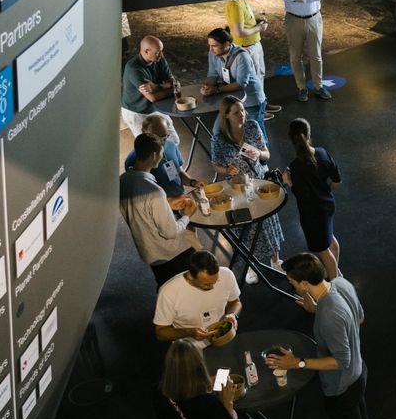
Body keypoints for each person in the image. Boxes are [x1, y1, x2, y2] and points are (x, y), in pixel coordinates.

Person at [266, 253, 380, 419]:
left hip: (342, 386)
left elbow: (340, 361)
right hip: (359, 372)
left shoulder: (329, 314)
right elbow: (359, 317)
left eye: (292, 282)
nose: (292, 285)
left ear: (304, 283)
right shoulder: (341, 284)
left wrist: (298, 363)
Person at [210, 96, 284, 285]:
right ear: (226, 116)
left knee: (267, 221)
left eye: (242, 110)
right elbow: (215, 164)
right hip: (237, 188)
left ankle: (276, 260)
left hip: (259, 182)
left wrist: (259, 153)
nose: (242, 115)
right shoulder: (219, 139)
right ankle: (251, 265)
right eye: (236, 112)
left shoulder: (252, 127)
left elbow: (267, 154)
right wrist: (227, 170)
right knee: (246, 226)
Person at [120, 133, 198, 287]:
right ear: (154, 156)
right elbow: (170, 232)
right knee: (186, 287)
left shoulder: (123, 180)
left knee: (166, 286)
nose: (162, 157)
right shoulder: (155, 191)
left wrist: (167, 204)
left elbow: (140, 209)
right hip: (171, 253)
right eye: (161, 153)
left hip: (150, 253)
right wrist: (187, 215)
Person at [283, 117, 343, 280]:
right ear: (309, 135)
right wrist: (324, 191)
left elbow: (303, 196)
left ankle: (335, 283)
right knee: (329, 239)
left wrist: (289, 182)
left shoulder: (295, 166)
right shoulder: (323, 153)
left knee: (323, 251)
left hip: (312, 214)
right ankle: (335, 272)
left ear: (291, 139)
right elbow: (337, 181)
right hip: (328, 206)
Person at [153, 250, 241, 342]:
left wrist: (232, 314)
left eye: (215, 281)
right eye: (206, 284)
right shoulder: (168, 292)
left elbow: (236, 302)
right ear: (190, 276)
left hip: (222, 335)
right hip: (189, 342)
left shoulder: (227, 275)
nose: (212, 287)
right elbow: (160, 333)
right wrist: (188, 332)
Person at [202, 27, 268, 142]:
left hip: (251, 101)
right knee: (218, 131)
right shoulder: (213, 53)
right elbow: (212, 74)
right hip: (233, 102)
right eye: (210, 45)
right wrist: (206, 86)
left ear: (227, 44)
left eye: (214, 46)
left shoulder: (242, 56)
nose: (211, 49)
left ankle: (262, 154)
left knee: (256, 136)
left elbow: (240, 84)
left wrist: (216, 90)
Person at [123, 113, 194, 201]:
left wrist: (193, 182)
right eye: (157, 137)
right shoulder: (133, 160)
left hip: (180, 198)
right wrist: (171, 201)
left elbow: (179, 173)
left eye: (165, 137)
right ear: (144, 131)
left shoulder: (171, 145)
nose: (162, 143)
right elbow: (141, 195)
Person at [120, 35, 176, 135]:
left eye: (161, 51)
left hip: (154, 108)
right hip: (136, 112)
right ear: (146, 51)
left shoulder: (159, 59)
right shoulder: (134, 68)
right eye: (158, 52)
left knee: (173, 140)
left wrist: (158, 87)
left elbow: (173, 83)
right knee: (148, 143)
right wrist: (171, 89)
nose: (161, 54)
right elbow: (153, 97)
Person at [282, 0, 330, 101]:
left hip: (314, 18)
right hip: (293, 20)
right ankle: (302, 88)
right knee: (295, 56)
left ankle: (318, 87)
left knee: (316, 55)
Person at [225, 0, 268, 77]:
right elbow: (239, 32)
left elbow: (243, 22)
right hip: (247, 47)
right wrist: (259, 28)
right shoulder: (235, 4)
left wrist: (256, 21)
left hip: (254, 44)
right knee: (255, 77)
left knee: (260, 74)